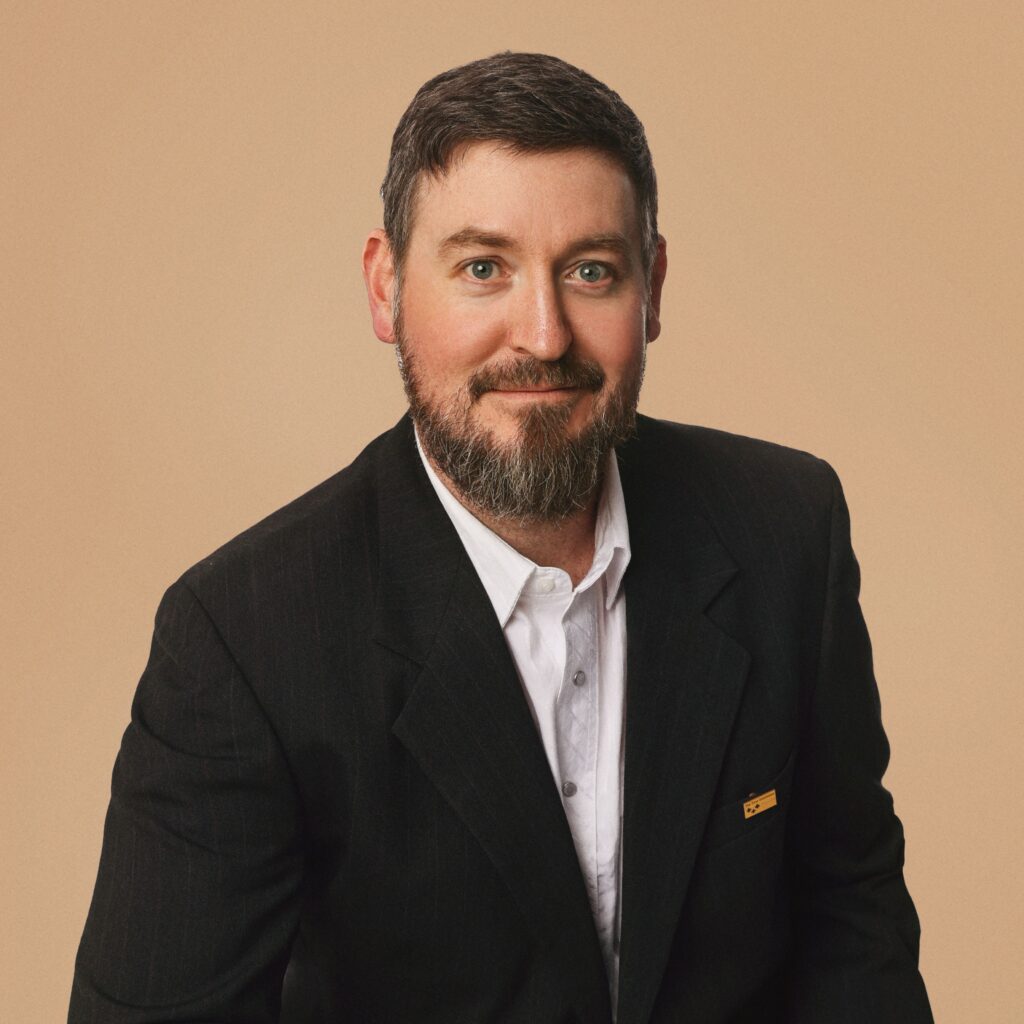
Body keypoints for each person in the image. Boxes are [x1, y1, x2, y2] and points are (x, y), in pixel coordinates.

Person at [70, 52, 933, 1023]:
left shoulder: (787, 527)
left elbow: (850, 916)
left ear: (651, 287)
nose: (544, 335)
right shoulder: (244, 640)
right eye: (483, 268)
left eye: (591, 271)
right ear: (386, 288)